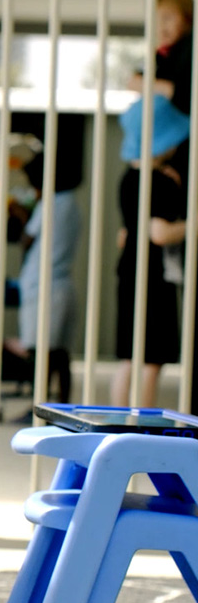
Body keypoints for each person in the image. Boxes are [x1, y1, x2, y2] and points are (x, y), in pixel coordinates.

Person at [111, 94, 191, 407]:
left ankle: (117, 419)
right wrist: (190, 225)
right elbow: (159, 232)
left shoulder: (128, 179)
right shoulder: (160, 182)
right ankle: (141, 423)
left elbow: (124, 234)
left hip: (128, 270)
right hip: (153, 277)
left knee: (129, 356)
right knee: (152, 358)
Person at [4, 151, 83, 407]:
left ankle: (39, 409)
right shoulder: (72, 204)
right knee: (60, 354)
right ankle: (62, 407)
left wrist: (19, 213)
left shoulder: (50, 203)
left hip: (42, 285)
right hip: (62, 285)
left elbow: (27, 240)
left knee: (40, 354)